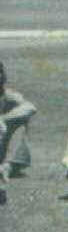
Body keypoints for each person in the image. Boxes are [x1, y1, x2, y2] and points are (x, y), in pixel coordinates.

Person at [0, 60, 37, 203]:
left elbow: (30, 108)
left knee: (20, 120)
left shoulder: (7, 95)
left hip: (9, 155)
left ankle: (6, 167)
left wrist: (3, 118)